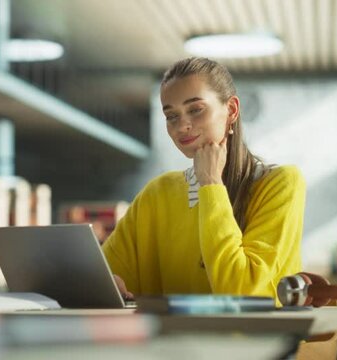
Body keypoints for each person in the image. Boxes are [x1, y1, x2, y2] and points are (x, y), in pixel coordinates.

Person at [102, 57, 305, 301]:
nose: (182, 126)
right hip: (173, 339)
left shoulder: (280, 183)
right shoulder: (158, 192)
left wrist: (211, 183)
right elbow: (107, 272)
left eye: (195, 109)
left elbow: (244, 294)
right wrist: (106, 282)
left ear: (231, 110)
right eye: (171, 116)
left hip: (251, 339)